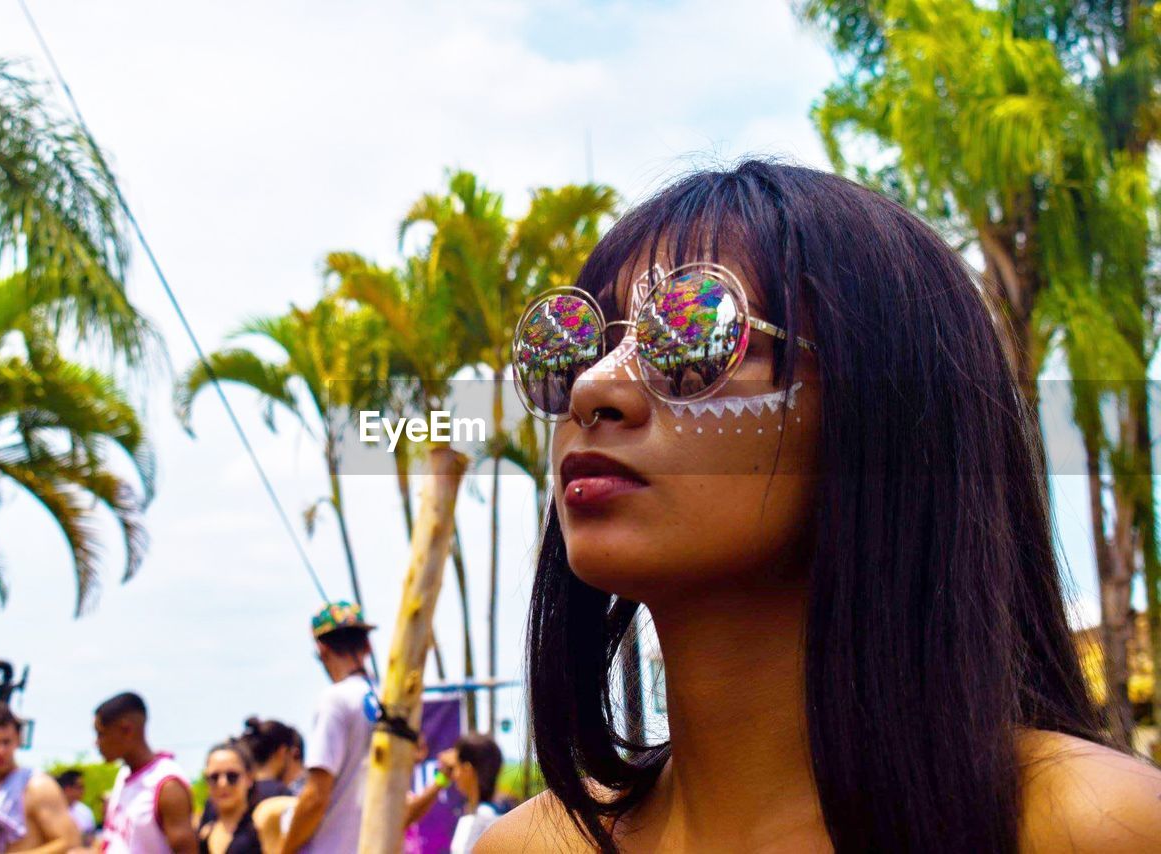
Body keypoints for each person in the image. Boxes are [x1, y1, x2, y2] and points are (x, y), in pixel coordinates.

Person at [479, 162, 1161, 853]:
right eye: (572, 347)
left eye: (691, 336)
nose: (594, 386)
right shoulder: (526, 848)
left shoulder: (1092, 827)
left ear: (885, 412)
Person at [276, 601, 377, 853]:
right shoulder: (390, 701)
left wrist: (284, 849)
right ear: (367, 645)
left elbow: (316, 798)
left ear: (322, 649)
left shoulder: (336, 700)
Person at [0, 702, 79, 853]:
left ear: (17, 739)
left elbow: (70, 842)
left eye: (6, 742)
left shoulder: (37, 786)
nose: (0, 751)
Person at [94, 692, 197, 853]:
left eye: (101, 734)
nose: (97, 743)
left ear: (126, 729)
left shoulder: (166, 785)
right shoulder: (124, 776)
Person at [408, 733, 504, 853]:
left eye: (456, 767)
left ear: (467, 770)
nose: (453, 776)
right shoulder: (487, 815)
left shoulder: (483, 819)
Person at [198, 741, 261, 854]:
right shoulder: (204, 835)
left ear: (249, 778)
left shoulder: (262, 828)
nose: (222, 783)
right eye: (214, 777)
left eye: (232, 776)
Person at [54, 769, 96, 847]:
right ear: (68, 788)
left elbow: (91, 840)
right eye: (79, 787)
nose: (83, 791)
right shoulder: (50, 812)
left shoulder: (85, 812)